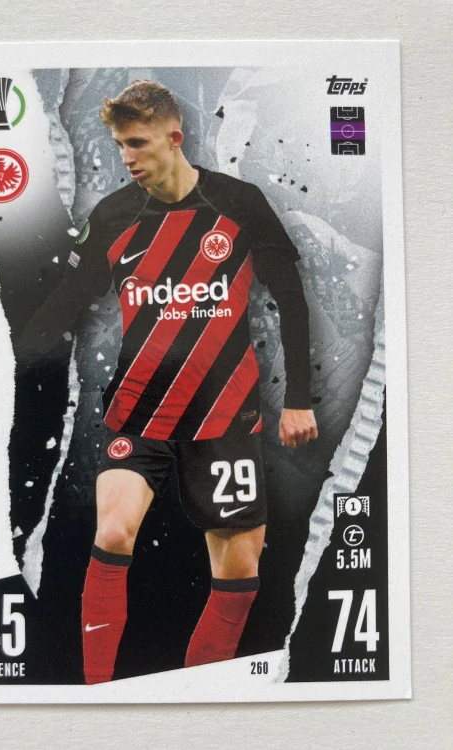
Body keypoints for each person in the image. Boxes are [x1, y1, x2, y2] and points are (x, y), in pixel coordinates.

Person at [18, 80, 318, 684]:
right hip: (139, 409)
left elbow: (290, 297)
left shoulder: (238, 203)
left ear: (175, 138)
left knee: (239, 572)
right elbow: (69, 299)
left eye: (137, 143)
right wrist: (12, 356)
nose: (126, 156)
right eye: (118, 144)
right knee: (113, 531)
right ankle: (98, 692)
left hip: (224, 414)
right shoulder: (113, 216)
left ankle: (200, 695)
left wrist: (298, 400)